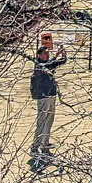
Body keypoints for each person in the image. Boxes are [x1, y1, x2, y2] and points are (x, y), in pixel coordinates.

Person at [29, 33, 68, 165]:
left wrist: (62, 55)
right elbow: (52, 64)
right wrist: (60, 56)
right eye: (44, 54)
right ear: (39, 55)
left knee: (49, 120)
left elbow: (57, 62)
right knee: (41, 121)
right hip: (43, 96)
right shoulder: (39, 65)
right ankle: (35, 145)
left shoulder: (47, 63)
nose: (46, 55)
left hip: (51, 95)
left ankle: (45, 144)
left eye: (47, 54)